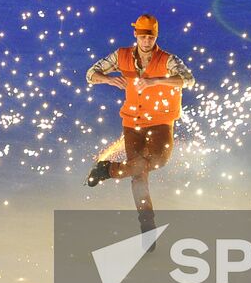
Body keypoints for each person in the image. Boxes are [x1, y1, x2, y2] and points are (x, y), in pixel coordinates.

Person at [84, 14, 196, 237]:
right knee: (138, 172)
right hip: (132, 121)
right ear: (135, 35)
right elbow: (90, 74)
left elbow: (189, 80)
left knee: (158, 160)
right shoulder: (121, 55)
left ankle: (108, 170)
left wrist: (157, 80)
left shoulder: (167, 59)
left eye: (151, 37)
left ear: (156, 37)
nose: (147, 42)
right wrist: (107, 79)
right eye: (143, 37)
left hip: (161, 121)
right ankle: (147, 226)